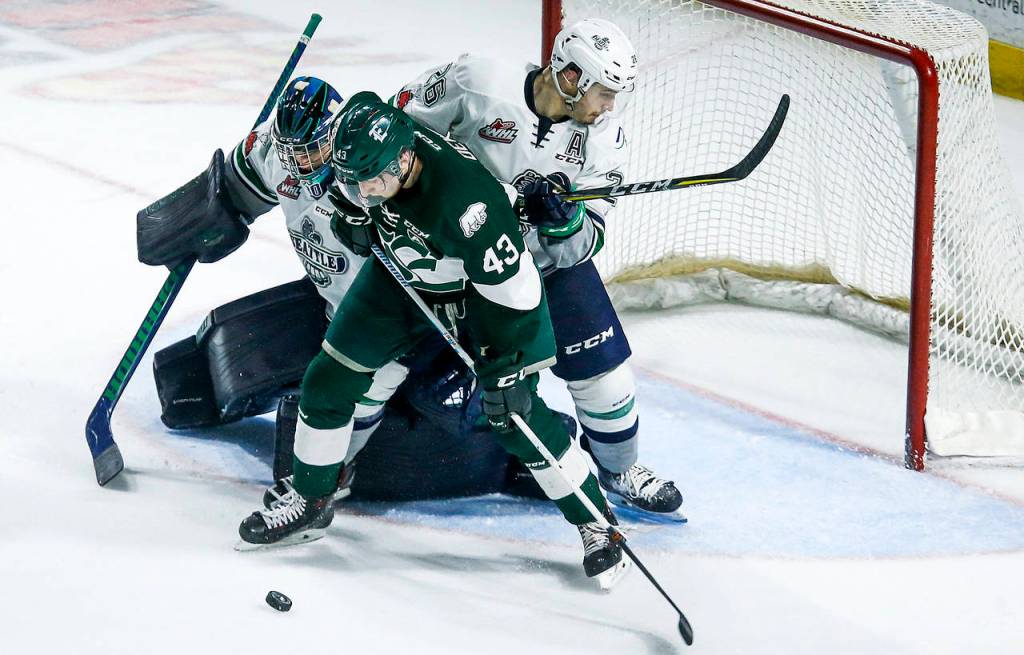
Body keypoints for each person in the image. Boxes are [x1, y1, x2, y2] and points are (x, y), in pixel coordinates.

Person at [235, 92, 630, 586]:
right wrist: (351, 218)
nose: (364, 191)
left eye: (372, 182)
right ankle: (311, 502)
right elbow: (351, 200)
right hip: (401, 278)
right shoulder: (369, 154)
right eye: (356, 182)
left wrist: (507, 363)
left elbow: (518, 294)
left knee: (514, 414)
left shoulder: (468, 208)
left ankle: (597, 523)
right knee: (329, 379)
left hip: (486, 298)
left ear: (406, 159)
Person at [136, 77, 542, 505]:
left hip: (409, 319)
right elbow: (236, 188)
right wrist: (200, 213)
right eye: (292, 150)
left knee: (386, 409)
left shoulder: (373, 173)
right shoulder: (278, 152)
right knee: (197, 377)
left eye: (312, 150)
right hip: (334, 309)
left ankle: (349, 471)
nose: (301, 162)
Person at [392, 18, 683, 519]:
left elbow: (587, 240)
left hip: (543, 263)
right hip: (455, 258)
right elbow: (398, 129)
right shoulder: (476, 80)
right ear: (570, 78)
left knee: (607, 379)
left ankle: (616, 469)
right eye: (604, 92)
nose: (610, 106)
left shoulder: (604, 140)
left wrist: (565, 222)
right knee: (397, 359)